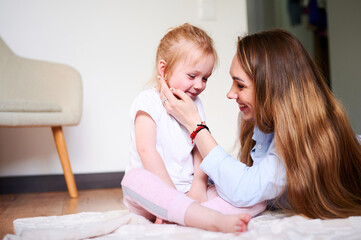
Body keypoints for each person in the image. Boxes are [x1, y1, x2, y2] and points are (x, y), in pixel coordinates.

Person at [160, 29, 361, 219]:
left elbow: (244, 190)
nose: (230, 94)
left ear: (273, 90)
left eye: (240, 85)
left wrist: (196, 125)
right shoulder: (258, 122)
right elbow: (245, 178)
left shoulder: (302, 142)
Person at [121, 23, 265, 234]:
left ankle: (185, 215)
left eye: (205, 78)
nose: (199, 85)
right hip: (156, 194)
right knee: (133, 180)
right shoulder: (147, 102)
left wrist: (198, 185)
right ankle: (208, 219)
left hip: (189, 192)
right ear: (164, 69)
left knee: (254, 198)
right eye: (192, 76)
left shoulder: (195, 104)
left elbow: (200, 149)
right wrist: (171, 196)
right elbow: (146, 150)